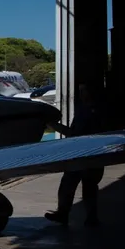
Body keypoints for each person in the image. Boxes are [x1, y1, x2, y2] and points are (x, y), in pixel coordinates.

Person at [45, 83, 106, 227]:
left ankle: (73, 215)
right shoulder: (86, 110)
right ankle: (72, 215)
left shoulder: (89, 111)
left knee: (81, 185)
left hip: (87, 154)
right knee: (75, 185)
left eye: (83, 91)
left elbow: (75, 133)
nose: (81, 94)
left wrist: (54, 126)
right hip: (85, 153)